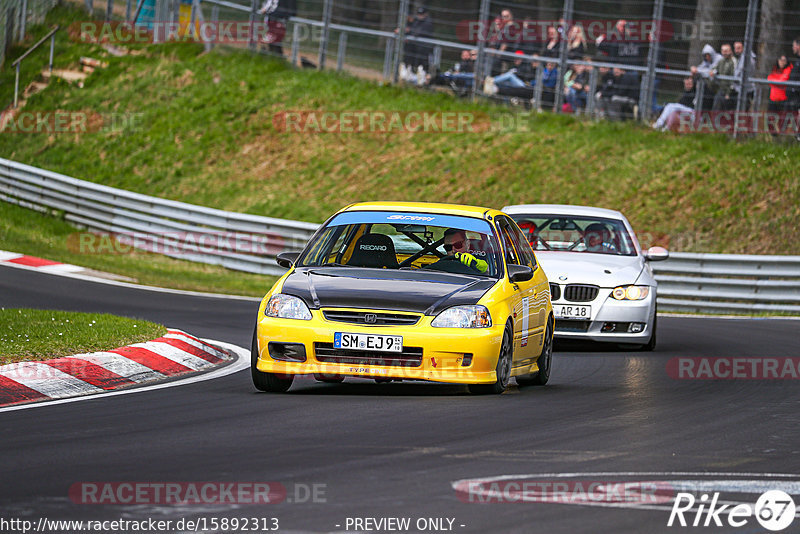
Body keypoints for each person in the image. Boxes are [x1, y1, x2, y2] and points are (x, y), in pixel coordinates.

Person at [690, 44, 722, 111]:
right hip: (709, 86)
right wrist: (695, 69)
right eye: (705, 56)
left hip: (718, 86)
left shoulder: (719, 58)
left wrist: (699, 71)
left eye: (708, 56)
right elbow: (701, 68)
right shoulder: (706, 62)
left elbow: (712, 71)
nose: (707, 58)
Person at [711, 44, 737, 111]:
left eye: (726, 51)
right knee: (716, 108)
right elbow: (715, 68)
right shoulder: (721, 61)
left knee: (727, 111)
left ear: (730, 51)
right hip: (721, 89)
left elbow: (734, 78)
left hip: (729, 91)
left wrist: (728, 93)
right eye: (723, 51)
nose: (724, 53)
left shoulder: (733, 61)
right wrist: (713, 72)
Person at [732, 41, 756, 110]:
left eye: (739, 48)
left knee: (743, 110)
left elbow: (740, 72)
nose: (736, 50)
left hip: (745, 88)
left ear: (743, 48)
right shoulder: (742, 57)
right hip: (740, 87)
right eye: (735, 48)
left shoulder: (748, 58)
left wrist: (734, 78)